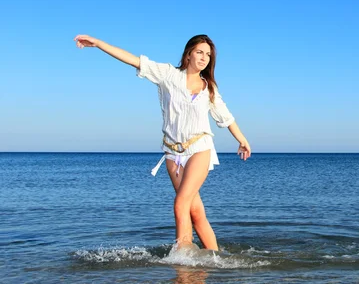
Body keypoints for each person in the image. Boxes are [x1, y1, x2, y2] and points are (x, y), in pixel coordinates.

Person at [74, 34, 251, 251]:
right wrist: (99, 44)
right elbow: (134, 60)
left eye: (208, 55)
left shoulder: (209, 88)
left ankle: (183, 259)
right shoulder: (168, 74)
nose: (204, 58)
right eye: (199, 52)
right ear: (188, 54)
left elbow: (227, 118)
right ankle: (215, 258)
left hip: (200, 148)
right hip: (172, 153)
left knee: (180, 203)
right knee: (195, 212)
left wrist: (242, 141)